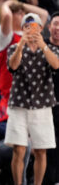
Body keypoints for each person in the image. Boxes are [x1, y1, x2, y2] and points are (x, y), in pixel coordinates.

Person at [5, 13, 59, 185]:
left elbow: (56, 65)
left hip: (43, 105)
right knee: (19, 150)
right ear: (22, 29)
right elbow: (13, 66)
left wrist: (42, 44)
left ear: (42, 29)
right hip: (19, 104)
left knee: (41, 150)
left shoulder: (51, 49)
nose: (31, 29)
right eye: (27, 26)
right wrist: (22, 43)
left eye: (35, 26)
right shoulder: (14, 48)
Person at [0, 0, 48, 104]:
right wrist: (7, 4)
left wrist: (20, 5)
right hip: (12, 96)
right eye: (19, 13)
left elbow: (43, 14)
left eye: (25, 13)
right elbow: (6, 16)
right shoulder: (6, 36)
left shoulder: (31, 35)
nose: (24, 16)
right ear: (12, 15)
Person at [43, 11, 59, 184]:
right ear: (49, 27)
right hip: (46, 109)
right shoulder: (42, 47)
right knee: (48, 156)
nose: (58, 28)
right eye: (55, 23)